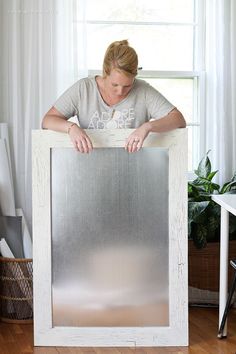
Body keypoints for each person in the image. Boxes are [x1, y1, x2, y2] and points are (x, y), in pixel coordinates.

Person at [42, 40, 186, 153]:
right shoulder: (83, 89)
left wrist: (147, 127)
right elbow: (47, 120)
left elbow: (178, 119)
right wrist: (71, 128)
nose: (120, 91)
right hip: (90, 170)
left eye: (127, 86)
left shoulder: (143, 91)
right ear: (105, 72)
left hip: (134, 171)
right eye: (115, 85)